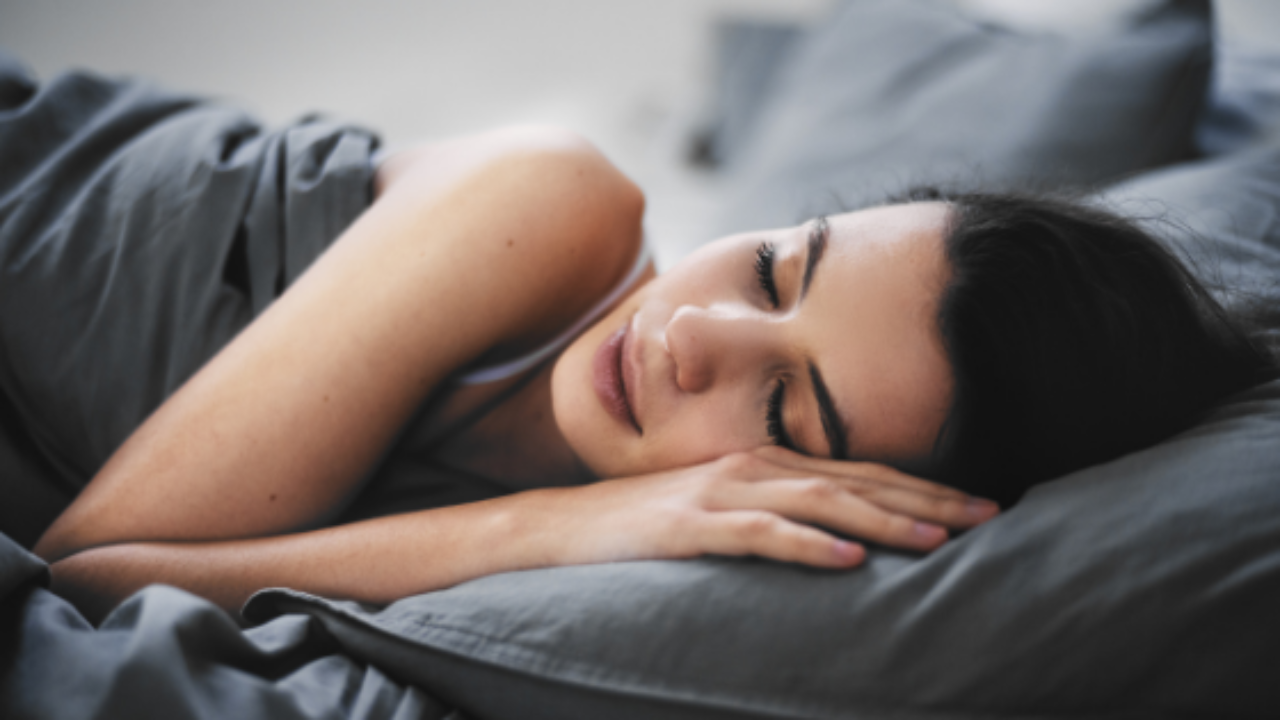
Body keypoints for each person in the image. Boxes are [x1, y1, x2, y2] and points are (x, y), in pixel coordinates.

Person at [28, 126, 1277, 622]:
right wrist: (548, 524)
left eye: (782, 406)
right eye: (776, 270)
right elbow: (78, 575)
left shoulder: (632, 586)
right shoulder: (551, 200)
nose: (694, 336)